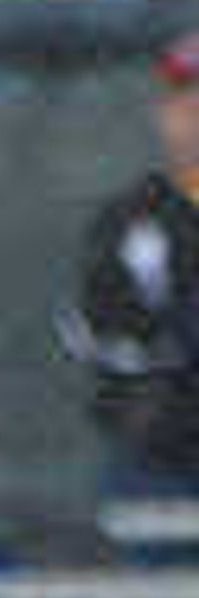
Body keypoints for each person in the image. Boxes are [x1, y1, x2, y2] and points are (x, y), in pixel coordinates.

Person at [67, 29, 199, 511]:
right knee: (137, 577)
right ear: (163, 116)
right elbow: (105, 333)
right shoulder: (132, 220)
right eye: (186, 103)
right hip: (162, 466)